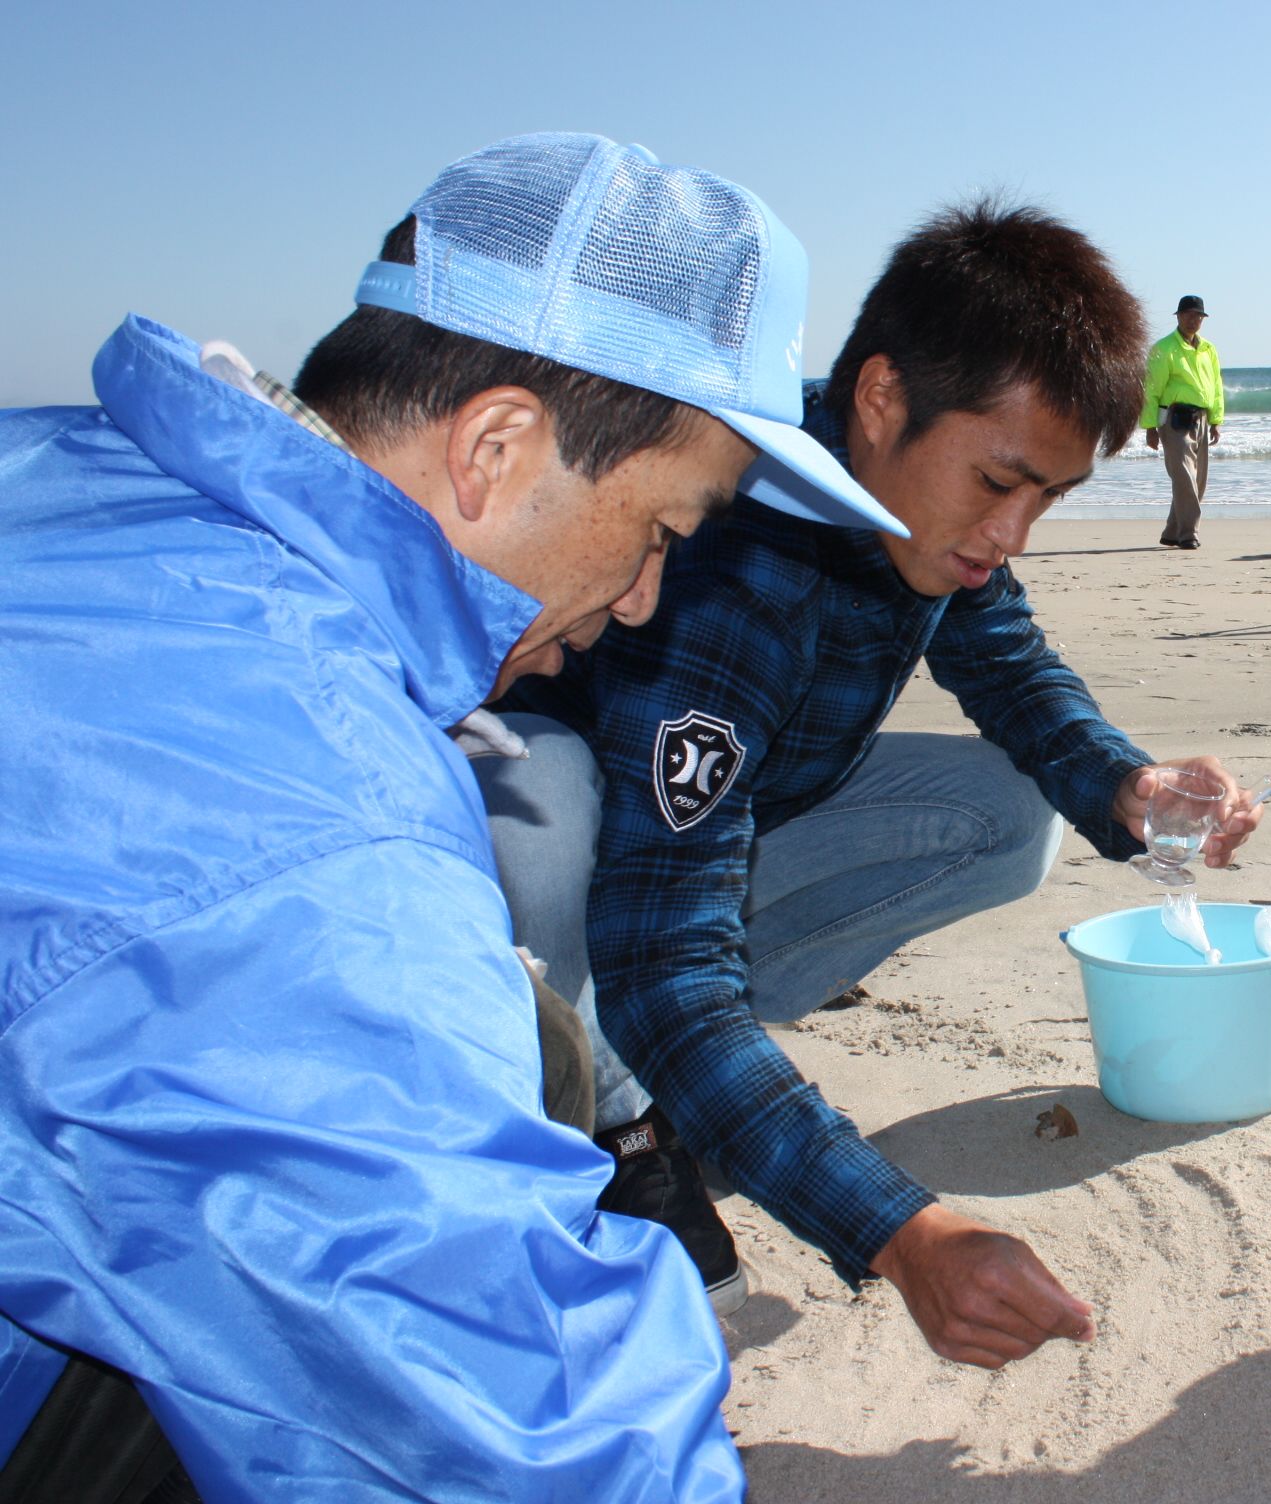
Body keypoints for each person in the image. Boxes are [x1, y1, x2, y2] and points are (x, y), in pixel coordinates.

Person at [0, 132, 901, 1501]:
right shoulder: (316, 832)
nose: (649, 601)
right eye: (661, 529)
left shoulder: (71, 484)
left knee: (527, 1038)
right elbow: (520, 1442)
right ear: (494, 447)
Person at [481, 202, 1267, 1369]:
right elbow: (660, 952)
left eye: (1046, 496)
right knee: (548, 820)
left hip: (739, 825)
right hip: (601, 859)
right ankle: (624, 1115)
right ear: (882, 397)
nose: (1015, 532)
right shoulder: (728, 564)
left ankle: (716, 1083)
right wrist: (900, 1230)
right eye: (1002, 481)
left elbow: (1006, 662)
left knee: (1011, 819)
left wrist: (1126, 787)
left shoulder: (919, 502)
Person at [1140, 294, 1225, 548]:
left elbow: (1216, 386)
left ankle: (1172, 531)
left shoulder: (1208, 349)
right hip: (1174, 418)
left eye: (1197, 316)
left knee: (1197, 481)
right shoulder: (1164, 348)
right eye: (1188, 315)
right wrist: (1150, 427)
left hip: (1201, 418)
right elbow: (1151, 389)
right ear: (1178, 316)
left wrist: (1216, 419)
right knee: (1184, 477)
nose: (1193, 320)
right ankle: (1189, 533)